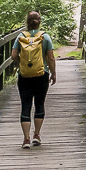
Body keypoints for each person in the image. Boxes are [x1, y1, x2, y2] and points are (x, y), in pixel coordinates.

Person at [15, 10, 57, 147]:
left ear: (27, 21)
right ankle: (36, 136)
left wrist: (20, 64)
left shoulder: (20, 36)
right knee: (39, 104)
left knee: (25, 105)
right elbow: (50, 58)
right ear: (39, 22)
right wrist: (53, 73)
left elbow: (13, 56)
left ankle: (26, 139)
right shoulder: (45, 37)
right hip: (41, 75)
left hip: (24, 76)